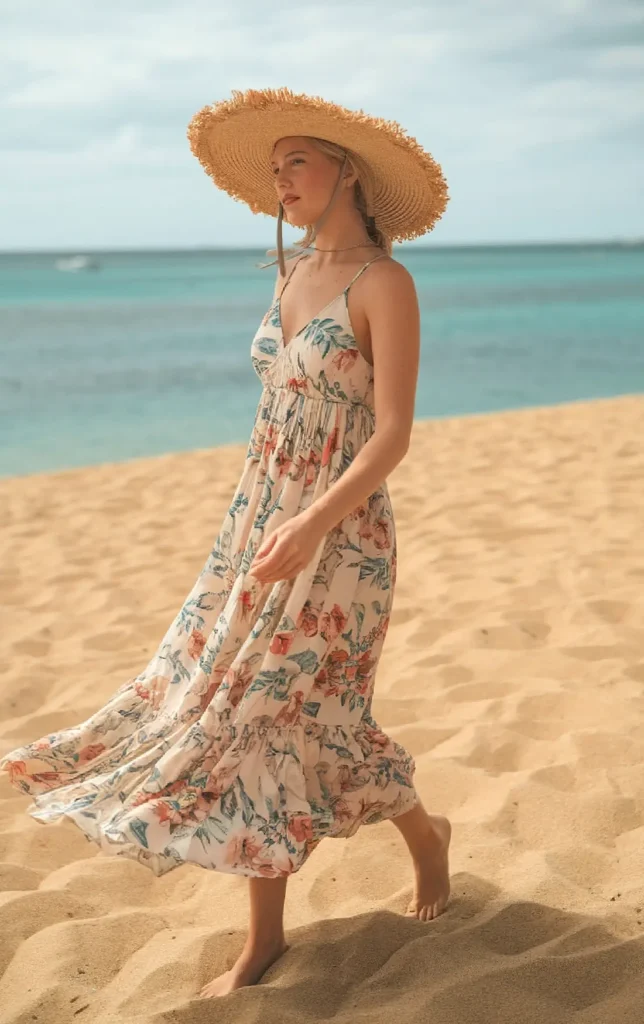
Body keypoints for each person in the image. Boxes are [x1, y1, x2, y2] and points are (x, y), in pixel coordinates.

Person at [0, 86, 452, 999]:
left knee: (275, 716)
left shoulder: (386, 284)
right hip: (259, 518)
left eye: (298, 162)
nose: (281, 180)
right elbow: (277, 416)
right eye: (276, 166)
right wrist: (262, 519)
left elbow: (393, 433)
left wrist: (313, 519)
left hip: (339, 534)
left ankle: (267, 943)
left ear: (347, 171)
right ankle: (421, 833)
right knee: (259, 706)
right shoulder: (287, 277)